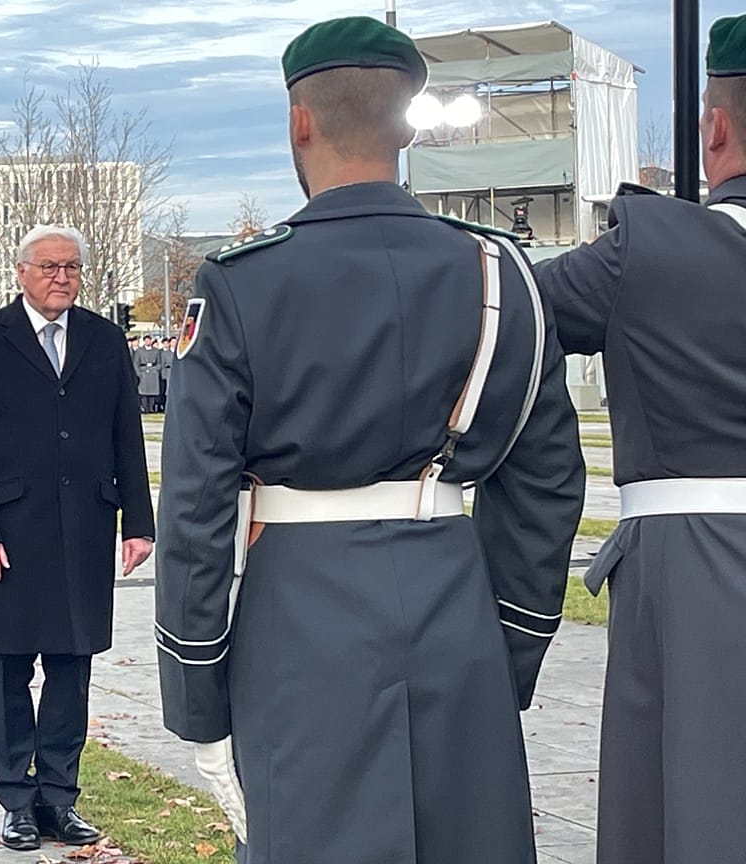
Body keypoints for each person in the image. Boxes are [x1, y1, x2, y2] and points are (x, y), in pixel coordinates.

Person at [152, 17, 584, 864]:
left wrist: (197, 695)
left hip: (301, 613)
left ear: (298, 123)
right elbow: (547, 484)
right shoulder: (503, 274)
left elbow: (196, 507)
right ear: (409, 126)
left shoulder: (243, 283)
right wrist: (509, 649)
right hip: (455, 600)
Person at [531, 16, 746, 863]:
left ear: (715, 127)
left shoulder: (649, 251)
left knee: (693, 799)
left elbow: (499, 315)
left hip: (694, 559)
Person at [0, 225, 155, 852]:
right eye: (49, 267)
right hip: (8, 535)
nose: (62, 277)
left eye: (72, 268)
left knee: (71, 669)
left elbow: (126, 434)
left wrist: (138, 522)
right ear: (22, 272)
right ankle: (15, 798)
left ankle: (59, 797)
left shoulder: (103, 339)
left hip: (83, 529)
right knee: (8, 668)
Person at [136, 335, 161, 414]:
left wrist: (156, 370)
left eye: (149, 340)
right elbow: (136, 363)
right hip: (143, 372)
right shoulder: (139, 351)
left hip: (153, 373)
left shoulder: (156, 351)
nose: (147, 342)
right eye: (146, 340)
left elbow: (159, 363)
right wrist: (139, 373)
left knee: (152, 392)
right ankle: (145, 408)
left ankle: (151, 408)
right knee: (144, 392)